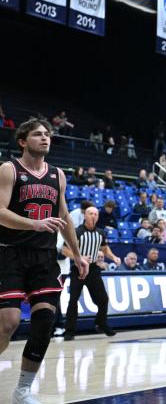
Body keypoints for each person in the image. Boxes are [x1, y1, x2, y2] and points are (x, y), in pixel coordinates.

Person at [0, 118, 89, 404]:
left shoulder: (57, 175)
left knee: (45, 320)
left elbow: (63, 218)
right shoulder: (8, 169)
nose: (45, 138)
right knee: (9, 322)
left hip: (44, 257)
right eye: (38, 134)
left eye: (47, 134)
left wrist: (77, 254)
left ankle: (22, 390)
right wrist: (33, 224)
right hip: (9, 252)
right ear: (23, 141)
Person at [64, 206, 121, 341]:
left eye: (95, 214)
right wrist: (80, 257)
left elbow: (104, 248)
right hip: (78, 269)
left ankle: (101, 323)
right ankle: (69, 331)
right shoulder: (77, 232)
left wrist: (114, 257)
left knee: (103, 300)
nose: (93, 216)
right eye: (90, 214)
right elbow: (65, 250)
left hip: (94, 270)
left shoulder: (101, 233)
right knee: (73, 301)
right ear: (85, 216)